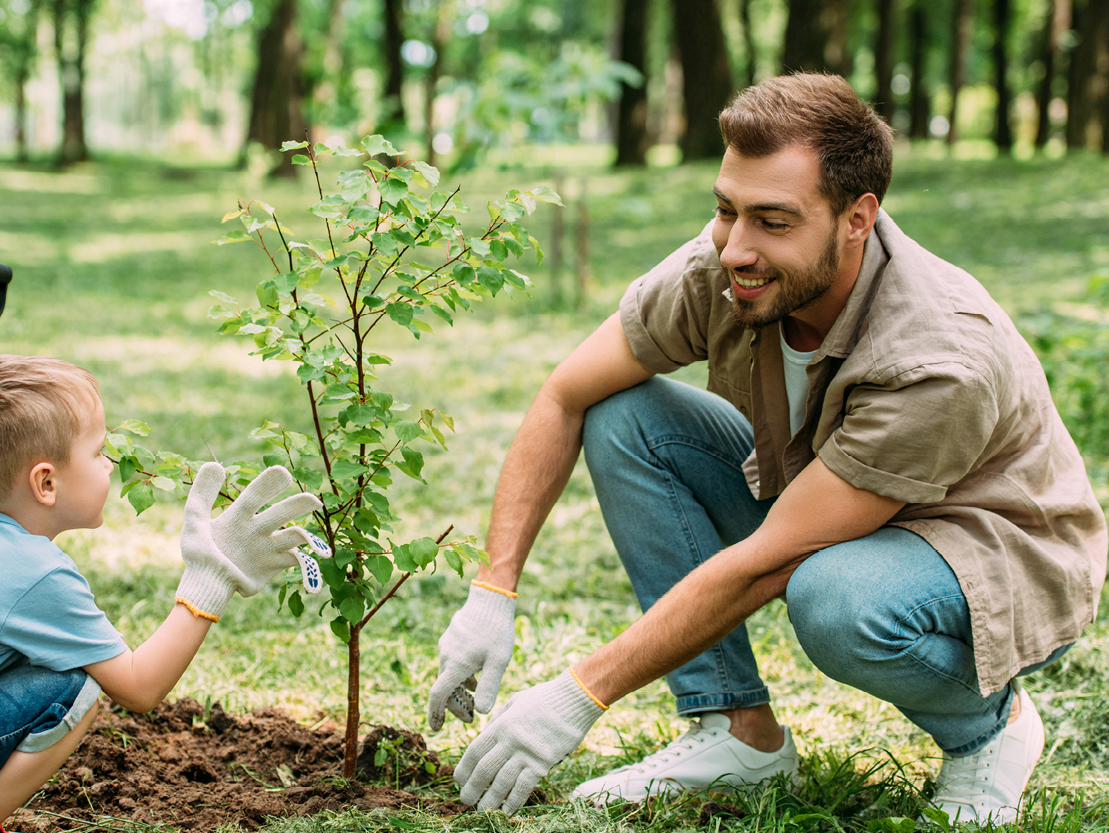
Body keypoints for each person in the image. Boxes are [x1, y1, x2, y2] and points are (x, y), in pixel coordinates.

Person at [426, 73, 1107, 823]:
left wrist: (577, 693)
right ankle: (738, 732)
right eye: (726, 209)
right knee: (624, 413)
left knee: (835, 597)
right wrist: (493, 591)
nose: (737, 248)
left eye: (773, 221)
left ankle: (991, 729)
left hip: (993, 553)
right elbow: (566, 393)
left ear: (857, 218)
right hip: (836, 507)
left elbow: (774, 559)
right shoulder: (724, 269)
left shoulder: (937, 356)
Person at [0, 354, 328, 833]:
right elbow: (139, 686)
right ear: (46, 482)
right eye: (99, 453)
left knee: (44, 662)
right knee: (72, 690)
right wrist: (213, 576)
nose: (109, 465)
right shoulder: (32, 573)